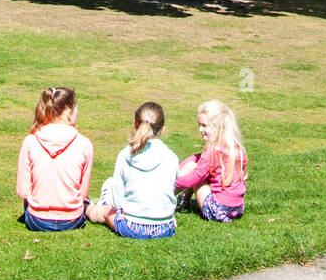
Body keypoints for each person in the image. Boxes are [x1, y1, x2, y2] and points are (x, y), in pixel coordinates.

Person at [86, 102, 179, 239]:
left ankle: (86, 208)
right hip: (165, 227)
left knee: (105, 209)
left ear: (136, 125)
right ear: (162, 129)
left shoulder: (126, 155)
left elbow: (117, 202)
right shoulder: (172, 157)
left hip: (131, 227)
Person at [16, 87, 93, 231]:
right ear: (70, 112)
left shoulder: (30, 141)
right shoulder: (85, 144)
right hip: (72, 220)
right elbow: (82, 195)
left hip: (37, 221)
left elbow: (23, 191)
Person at [176, 100, 248, 222]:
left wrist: (170, 182)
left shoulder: (213, 150)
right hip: (237, 210)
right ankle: (183, 200)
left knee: (193, 169)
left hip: (218, 210)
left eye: (204, 125)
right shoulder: (236, 149)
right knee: (193, 164)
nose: (200, 129)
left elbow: (191, 180)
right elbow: (199, 158)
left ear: (218, 126)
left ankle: (161, 199)